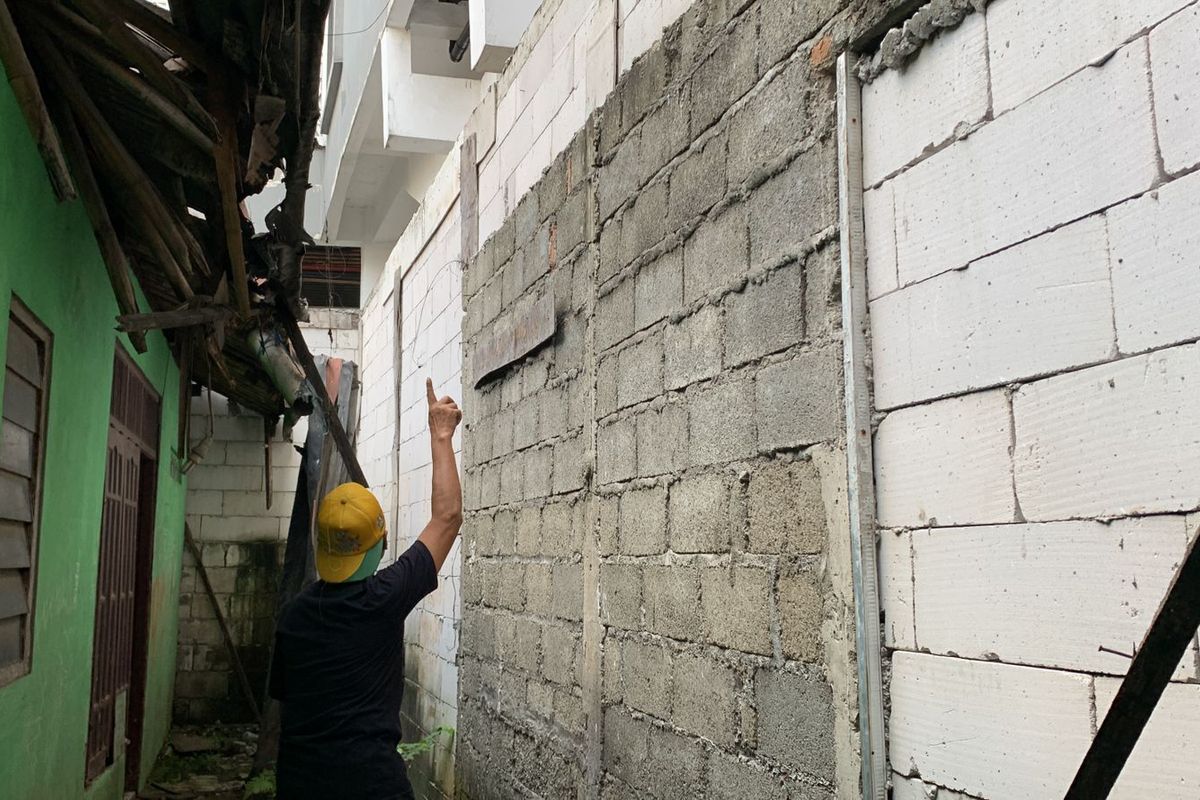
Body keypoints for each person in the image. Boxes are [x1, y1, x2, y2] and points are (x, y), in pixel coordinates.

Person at [269, 378, 463, 800]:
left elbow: (288, 707)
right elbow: (446, 518)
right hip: (373, 787)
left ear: (324, 549)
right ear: (379, 545)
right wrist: (441, 435)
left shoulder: (294, 618)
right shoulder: (385, 598)